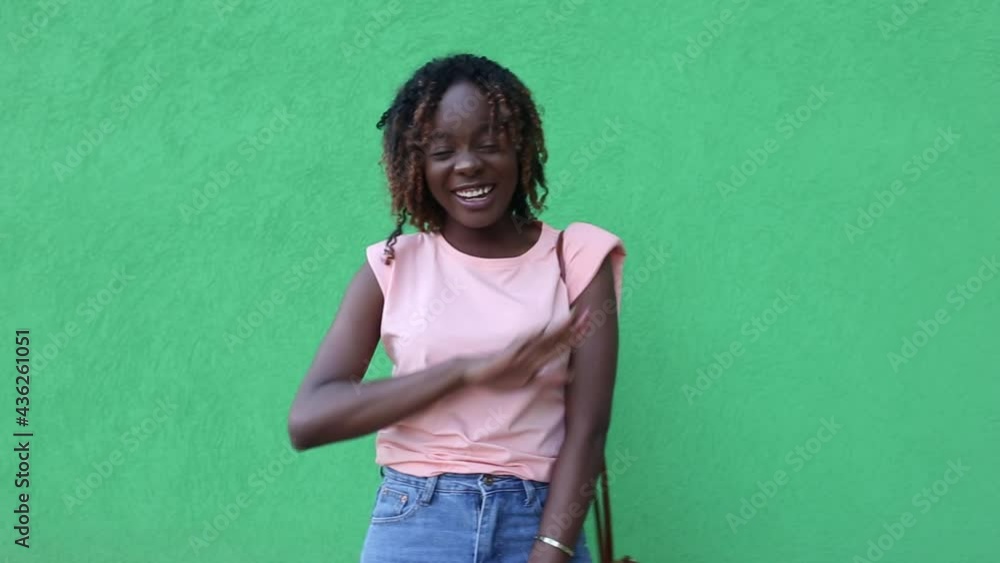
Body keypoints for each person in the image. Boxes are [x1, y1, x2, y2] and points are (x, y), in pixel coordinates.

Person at [287, 53, 626, 563]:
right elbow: (309, 420)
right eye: (442, 151)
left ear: (521, 148)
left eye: (488, 144)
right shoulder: (393, 266)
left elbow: (589, 430)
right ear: (417, 166)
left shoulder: (576, 257)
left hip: (538, 522)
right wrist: (462, 373)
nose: (467, 164)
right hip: (417, 523)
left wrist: (551, 549)